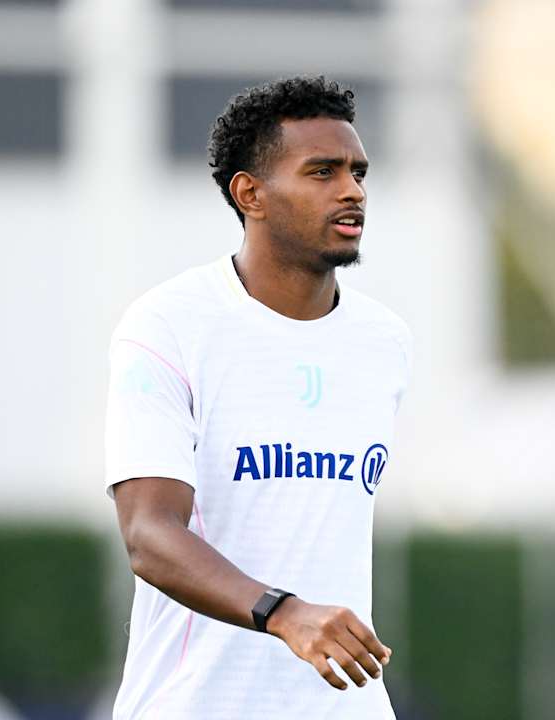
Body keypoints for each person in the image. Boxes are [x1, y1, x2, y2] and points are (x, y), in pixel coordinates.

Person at [104, 76, 412, 719]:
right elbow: (149, 534)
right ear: (251, 194)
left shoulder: (384, 341)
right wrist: (284, 613)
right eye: (322, 172)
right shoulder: (168, 325)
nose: (353, 191)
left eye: (357, 172)